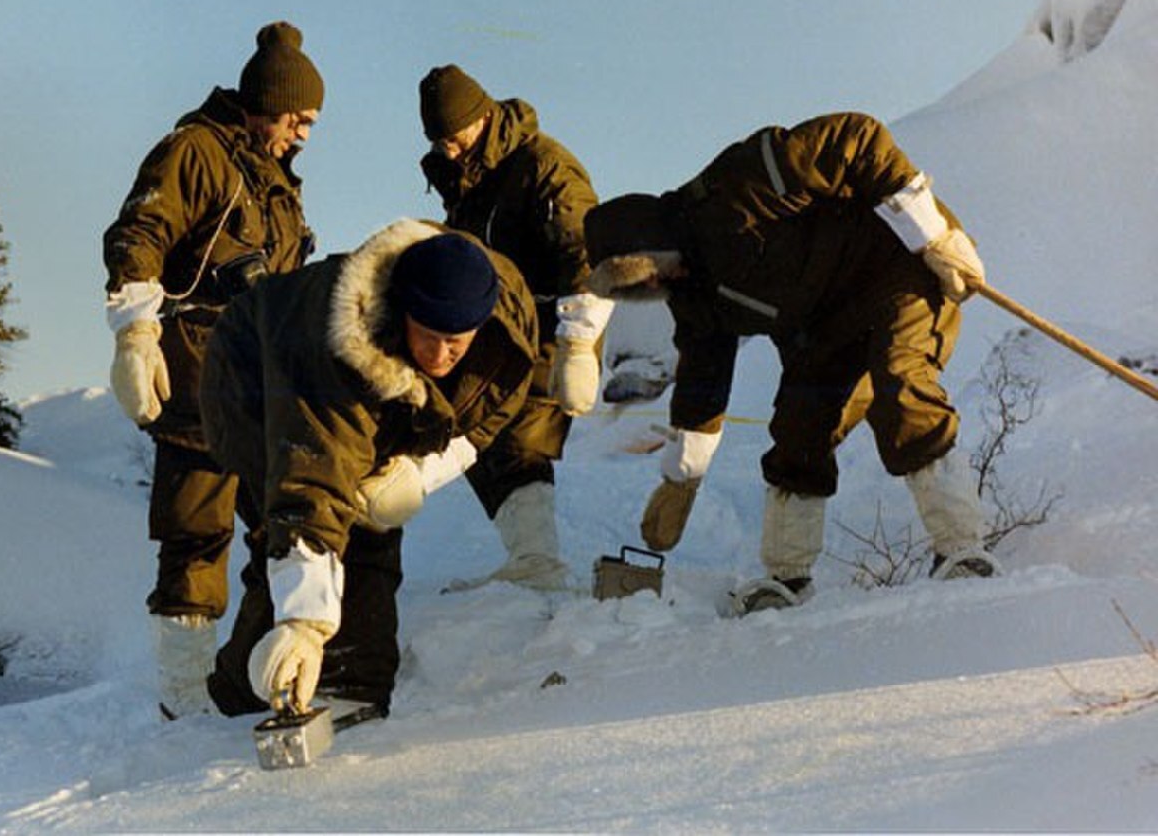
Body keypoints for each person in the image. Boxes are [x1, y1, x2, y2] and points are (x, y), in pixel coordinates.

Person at [581, 112, 1001, 614]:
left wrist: (933, 237)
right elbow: (703, 383)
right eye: (632, 288)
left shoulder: (736, 188)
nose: (648, 287)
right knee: (799, 426)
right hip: (824, 324)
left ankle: (962, 549)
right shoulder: (693, 298)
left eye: (642, 273)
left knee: (901, 381)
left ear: (653, 247)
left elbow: (856, 136)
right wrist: (681, 480)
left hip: (898, 268)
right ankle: (788, 578)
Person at [199, 222, 539, 720]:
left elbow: (490, 417)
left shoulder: (506, 326)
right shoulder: (339, 344)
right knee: (302, 534)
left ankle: (355, 690)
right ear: (403, 311)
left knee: (374, 526)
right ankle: (245, 690)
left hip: (373, 397)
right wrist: (304, 623)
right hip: (258, 388)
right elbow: (311, 484)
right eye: (429, 337)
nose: (441, 355)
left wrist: (420, 471)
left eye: (456, 343)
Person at [103, 21, 324, 717]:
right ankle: (183, 696)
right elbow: (137, 234)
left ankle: (253, 678)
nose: (304, 135)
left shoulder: (275, 183)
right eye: (299, 119)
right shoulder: (194, 153)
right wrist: (135, 333)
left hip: (267, 386)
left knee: (283, 535)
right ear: (266, 106)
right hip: (198, 384)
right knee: (195, 537)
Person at [417, 64, 613, 590]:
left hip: (555, 324)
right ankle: (530, 559)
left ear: (481, 118)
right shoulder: (467, 178)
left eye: (455, 138)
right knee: (473, 430)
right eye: (439, 143)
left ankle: (538, 564)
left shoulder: (544, 164)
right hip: (494, 331)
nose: (449, 151)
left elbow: (583, 246)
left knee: (523, 433)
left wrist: (578, 343)